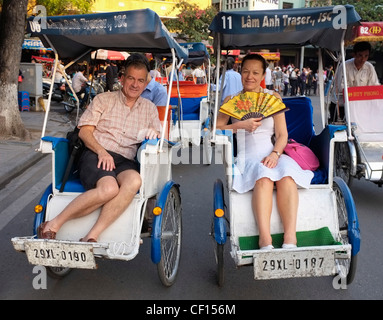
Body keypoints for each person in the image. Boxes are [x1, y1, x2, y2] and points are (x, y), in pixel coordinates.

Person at [37, 58, 161, 242]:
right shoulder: (104, 99)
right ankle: (53, 224)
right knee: (109, 188)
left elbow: (158, 133)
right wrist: (102, 151)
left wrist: (154, 132)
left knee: (135, 181)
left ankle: (91, 236)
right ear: (122, 78)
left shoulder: (149, 109)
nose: (135, 84)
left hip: (125, 160)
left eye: (140, 80)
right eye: (131, 78)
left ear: (146, 83)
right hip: (95, 154)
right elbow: (85, 132)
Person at [216, 53, 314, 250]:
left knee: (286, 176)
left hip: (273, 152)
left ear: (263, 76)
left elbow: (282, 135)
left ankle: (290, 238)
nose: (249, 76)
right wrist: (241, 125)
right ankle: (265, 238)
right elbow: (215, 128)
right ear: (240, 72)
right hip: (247, 157)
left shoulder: (273, 97)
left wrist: (275, 154)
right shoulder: (232, 99)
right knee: (264, 177)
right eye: (245, 71)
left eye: (255, 72)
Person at [330, 41, 380, 121]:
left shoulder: (369, 67)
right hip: (341, 105)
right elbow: (341, 87)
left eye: (366, 56)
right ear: (354, 54)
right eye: (360, 55)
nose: (363, 59)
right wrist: (358, 94)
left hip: (361, 106)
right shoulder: (344, 66)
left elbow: (374, 86)